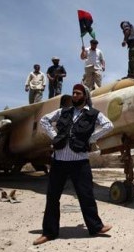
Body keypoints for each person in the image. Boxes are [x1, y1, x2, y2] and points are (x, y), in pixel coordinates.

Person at [34, 83, 114, 245]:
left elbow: (109, 125)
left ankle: (95, 227)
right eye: (73, 93)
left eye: (78, 93)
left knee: (86, 196)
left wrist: (91, 138)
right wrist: (55, 136)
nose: (75, 95)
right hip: (59, 162)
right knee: (52, 198)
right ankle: (49, 233)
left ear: (85, 96)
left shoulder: (93, 114)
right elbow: (44, 120)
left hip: (80, 163)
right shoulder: (63, 112)